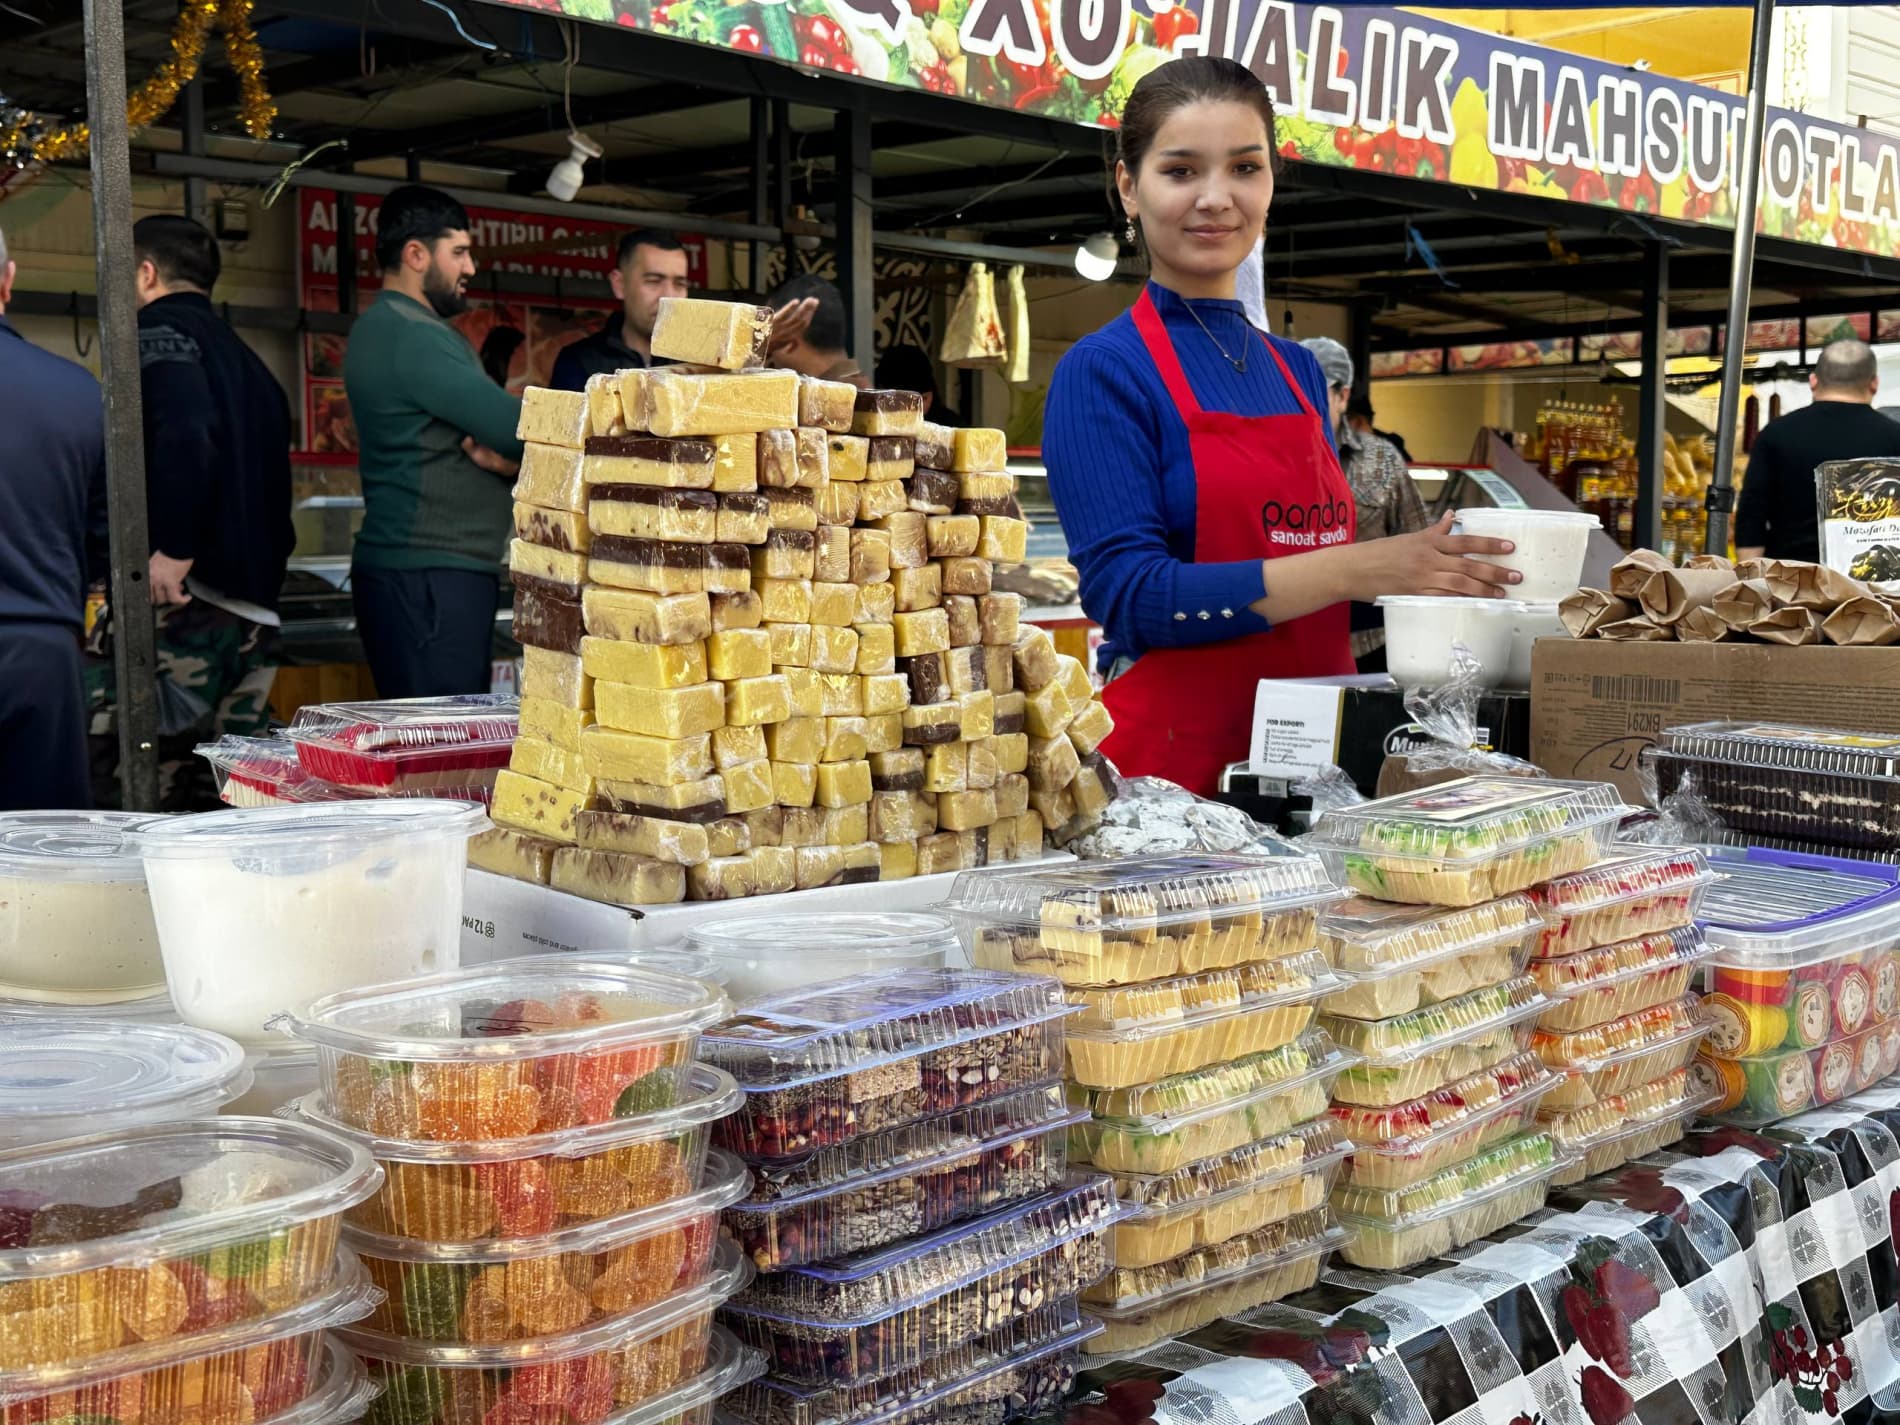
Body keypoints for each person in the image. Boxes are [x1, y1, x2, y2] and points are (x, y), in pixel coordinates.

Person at [1041, 57, 1519, 796]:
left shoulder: (1298, 371)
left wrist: (1442, 578)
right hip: (1173, 780)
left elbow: (1302, 584)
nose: (1215, 198)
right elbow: (1131, 595)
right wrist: (1363, 565)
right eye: (1180, 171)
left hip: (1314, 765)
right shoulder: (1103, 369)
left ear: (1271, 184)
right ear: (1129, 188)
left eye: (1244, 167)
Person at [84, 215, 295, 812]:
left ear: (146, 273)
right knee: (237, 790)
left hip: (188, 602)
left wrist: (173, 550)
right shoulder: (250, 363)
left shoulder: (151, 333)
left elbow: (186, 430)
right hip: (252, 607)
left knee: (144, 779)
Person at [345, 183, 524, 698]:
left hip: (431, 573)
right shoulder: (410, 334)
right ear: (416, 254)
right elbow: (516, 431)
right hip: (428, 574)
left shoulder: (394, 328)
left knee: (435, 752)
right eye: (460, 252)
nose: (469, 268)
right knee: (438, 755)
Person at [0, 227, 107, 810]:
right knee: (40, 859)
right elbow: (103, 532)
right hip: (42, 651)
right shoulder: (76, 391)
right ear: (9, 280)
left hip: (44, 638)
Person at [1303, 336, 1429, 668]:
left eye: (1311, 390)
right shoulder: (1270, 456)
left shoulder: (1381, 459)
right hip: (1291, 640)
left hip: (1369, 643)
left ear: (1342, 396)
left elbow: (1421, 541)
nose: (1299, 401)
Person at [1738, 338, 1900, 562]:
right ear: (1874, 384)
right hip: (1872, 585)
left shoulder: (1776, 434)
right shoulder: (1895, 437)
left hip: (1790, 582)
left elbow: (1751, 515)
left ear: (1813, 381)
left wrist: (1753, 579)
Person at [548, 229, 689, 390]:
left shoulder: (702, 364)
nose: (668, 297)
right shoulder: (580, 362)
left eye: (680, 284)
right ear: (619, 284)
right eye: (653, 281)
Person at [766, 274, 868, 388]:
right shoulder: (860, 391)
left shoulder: (832, 399)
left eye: (774, 329)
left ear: (790, 330)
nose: (768, 357)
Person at [876, 343, 964, 426]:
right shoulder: (875, 423)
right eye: (908, 400)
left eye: (924, 398)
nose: (918, 407)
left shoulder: (950, 425)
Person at [1346, 393, 1410, 462]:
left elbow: (1408, 467)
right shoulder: (1347, 447)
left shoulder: (1393, 444)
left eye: (1347, 419)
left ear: (1358, 421)